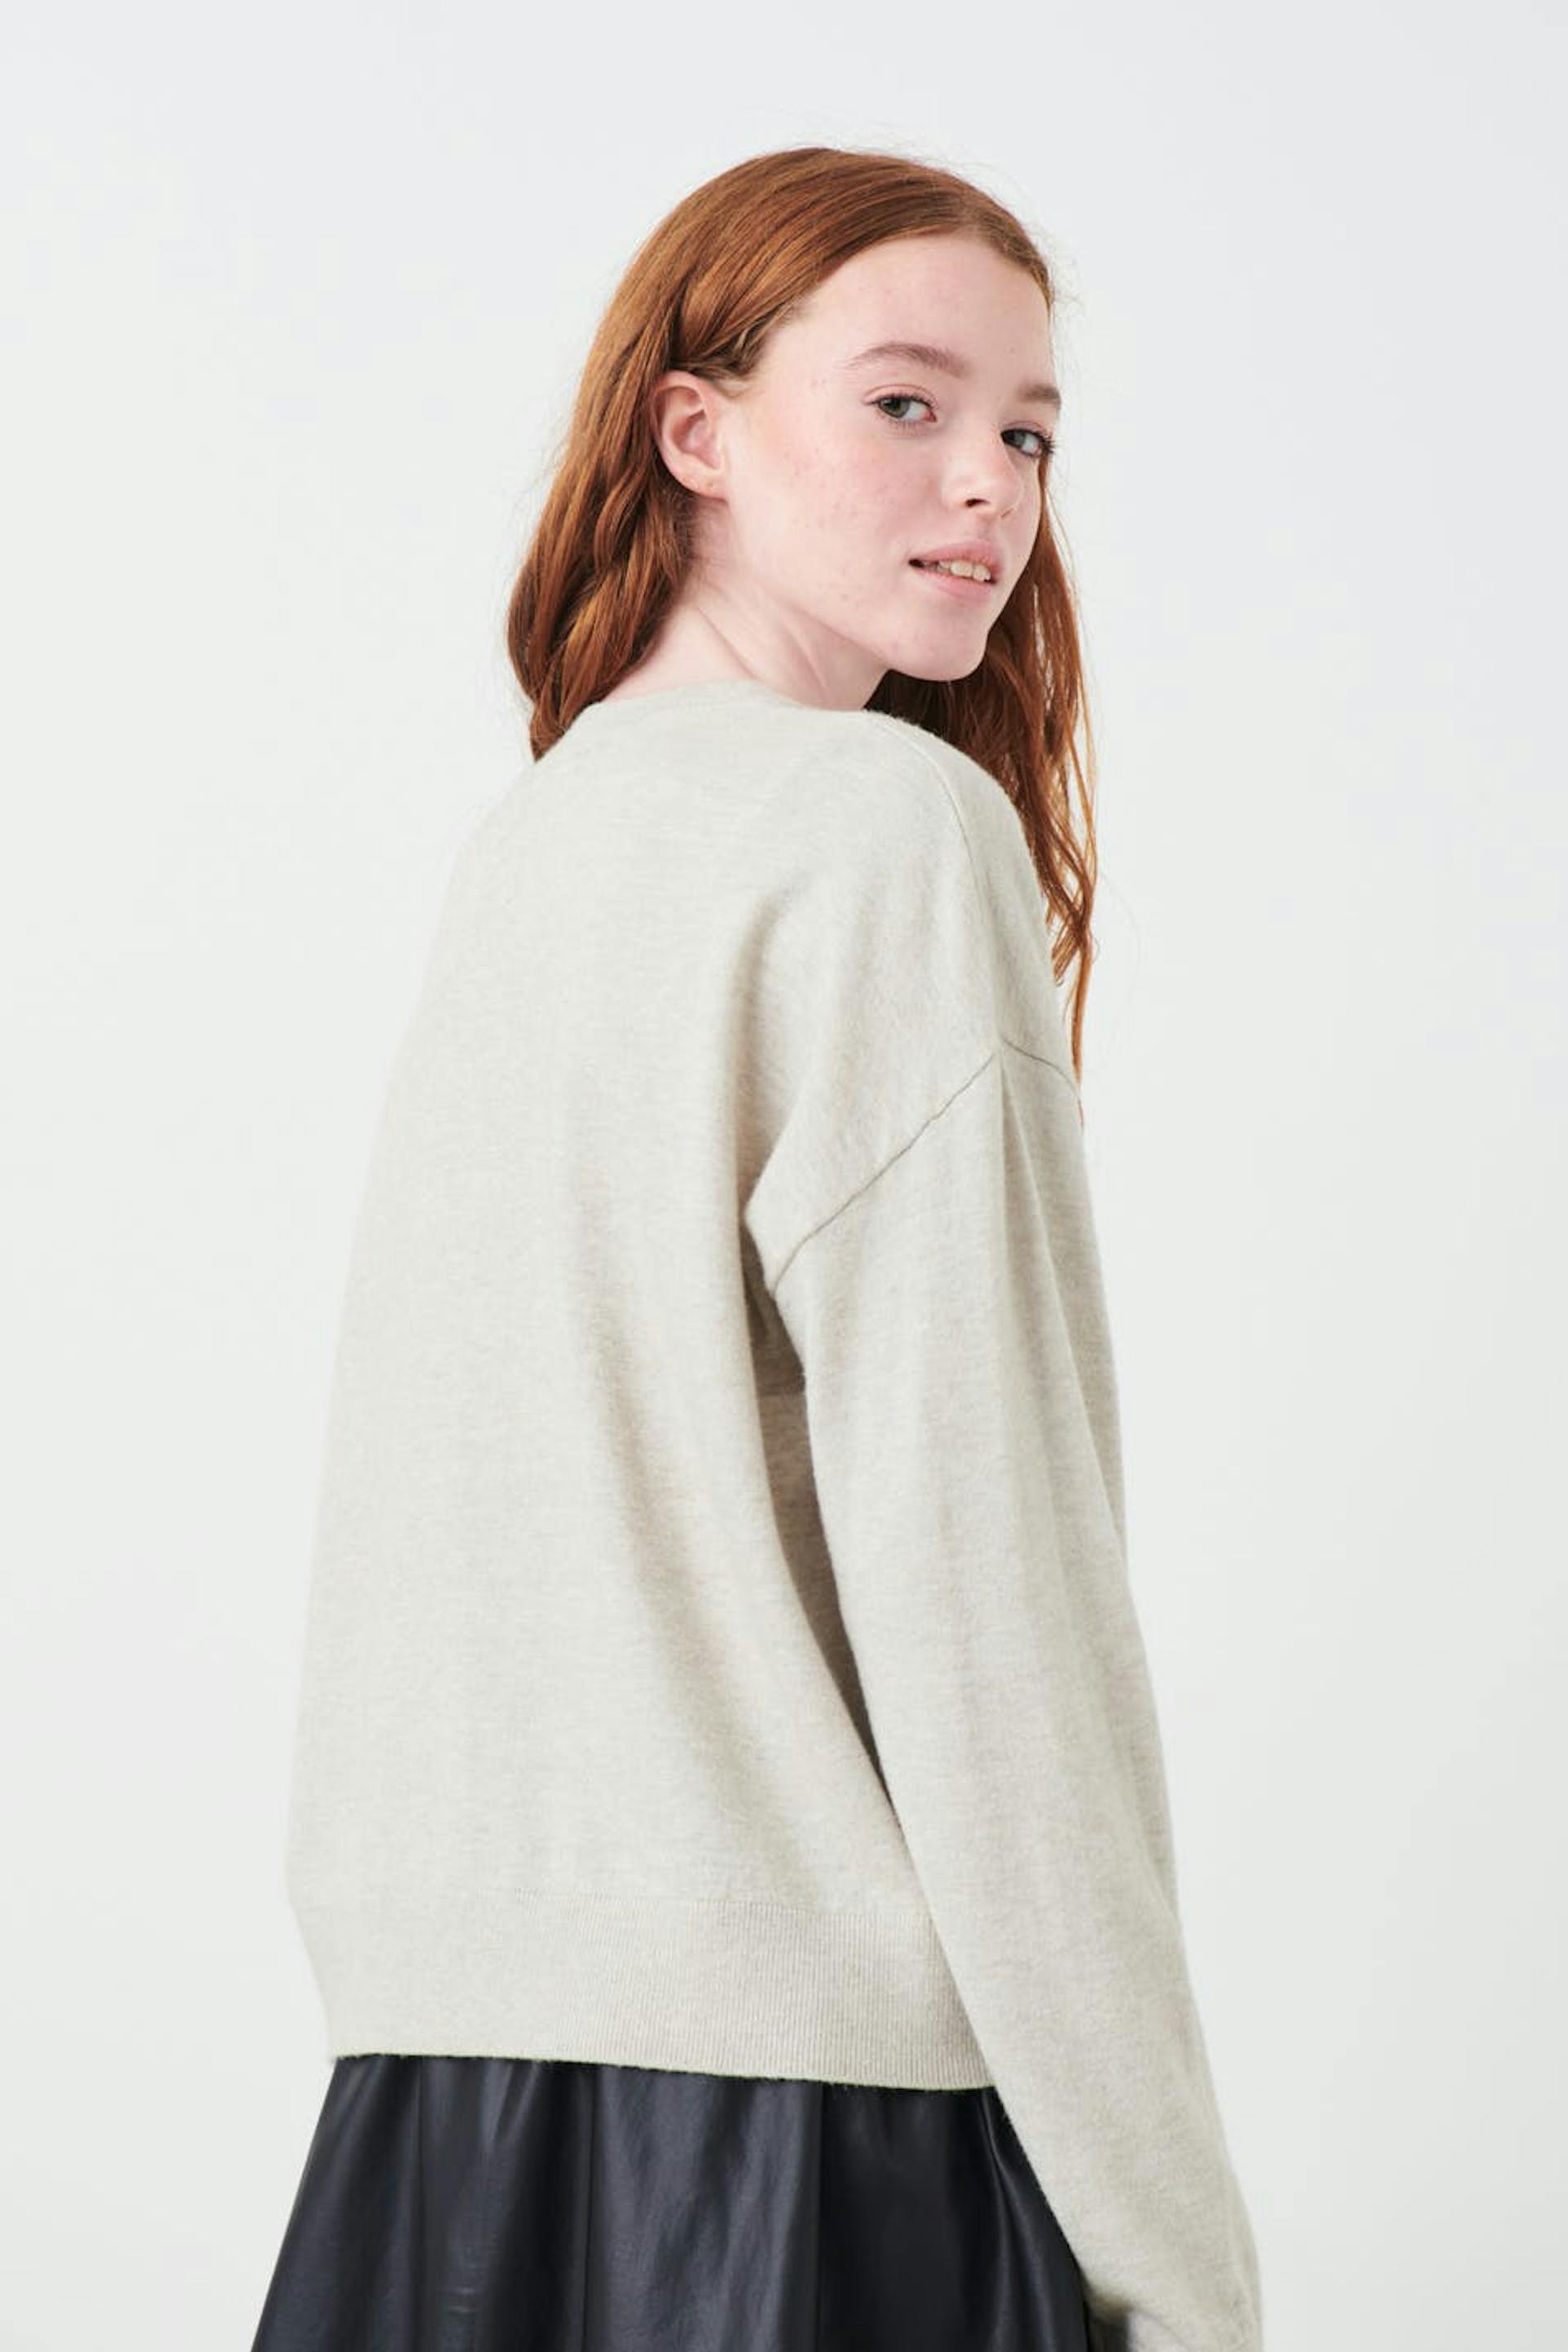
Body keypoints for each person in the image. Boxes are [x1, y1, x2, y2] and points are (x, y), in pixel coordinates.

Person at [252, 145, 1265, 2352]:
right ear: (694, 431)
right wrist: (1175, 2274)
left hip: (432, 2136)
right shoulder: (882, 830)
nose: (989, 485)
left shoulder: (542, 843)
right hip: (804, 2164)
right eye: (906, 404)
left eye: (1029, 434)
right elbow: (995, 1608)